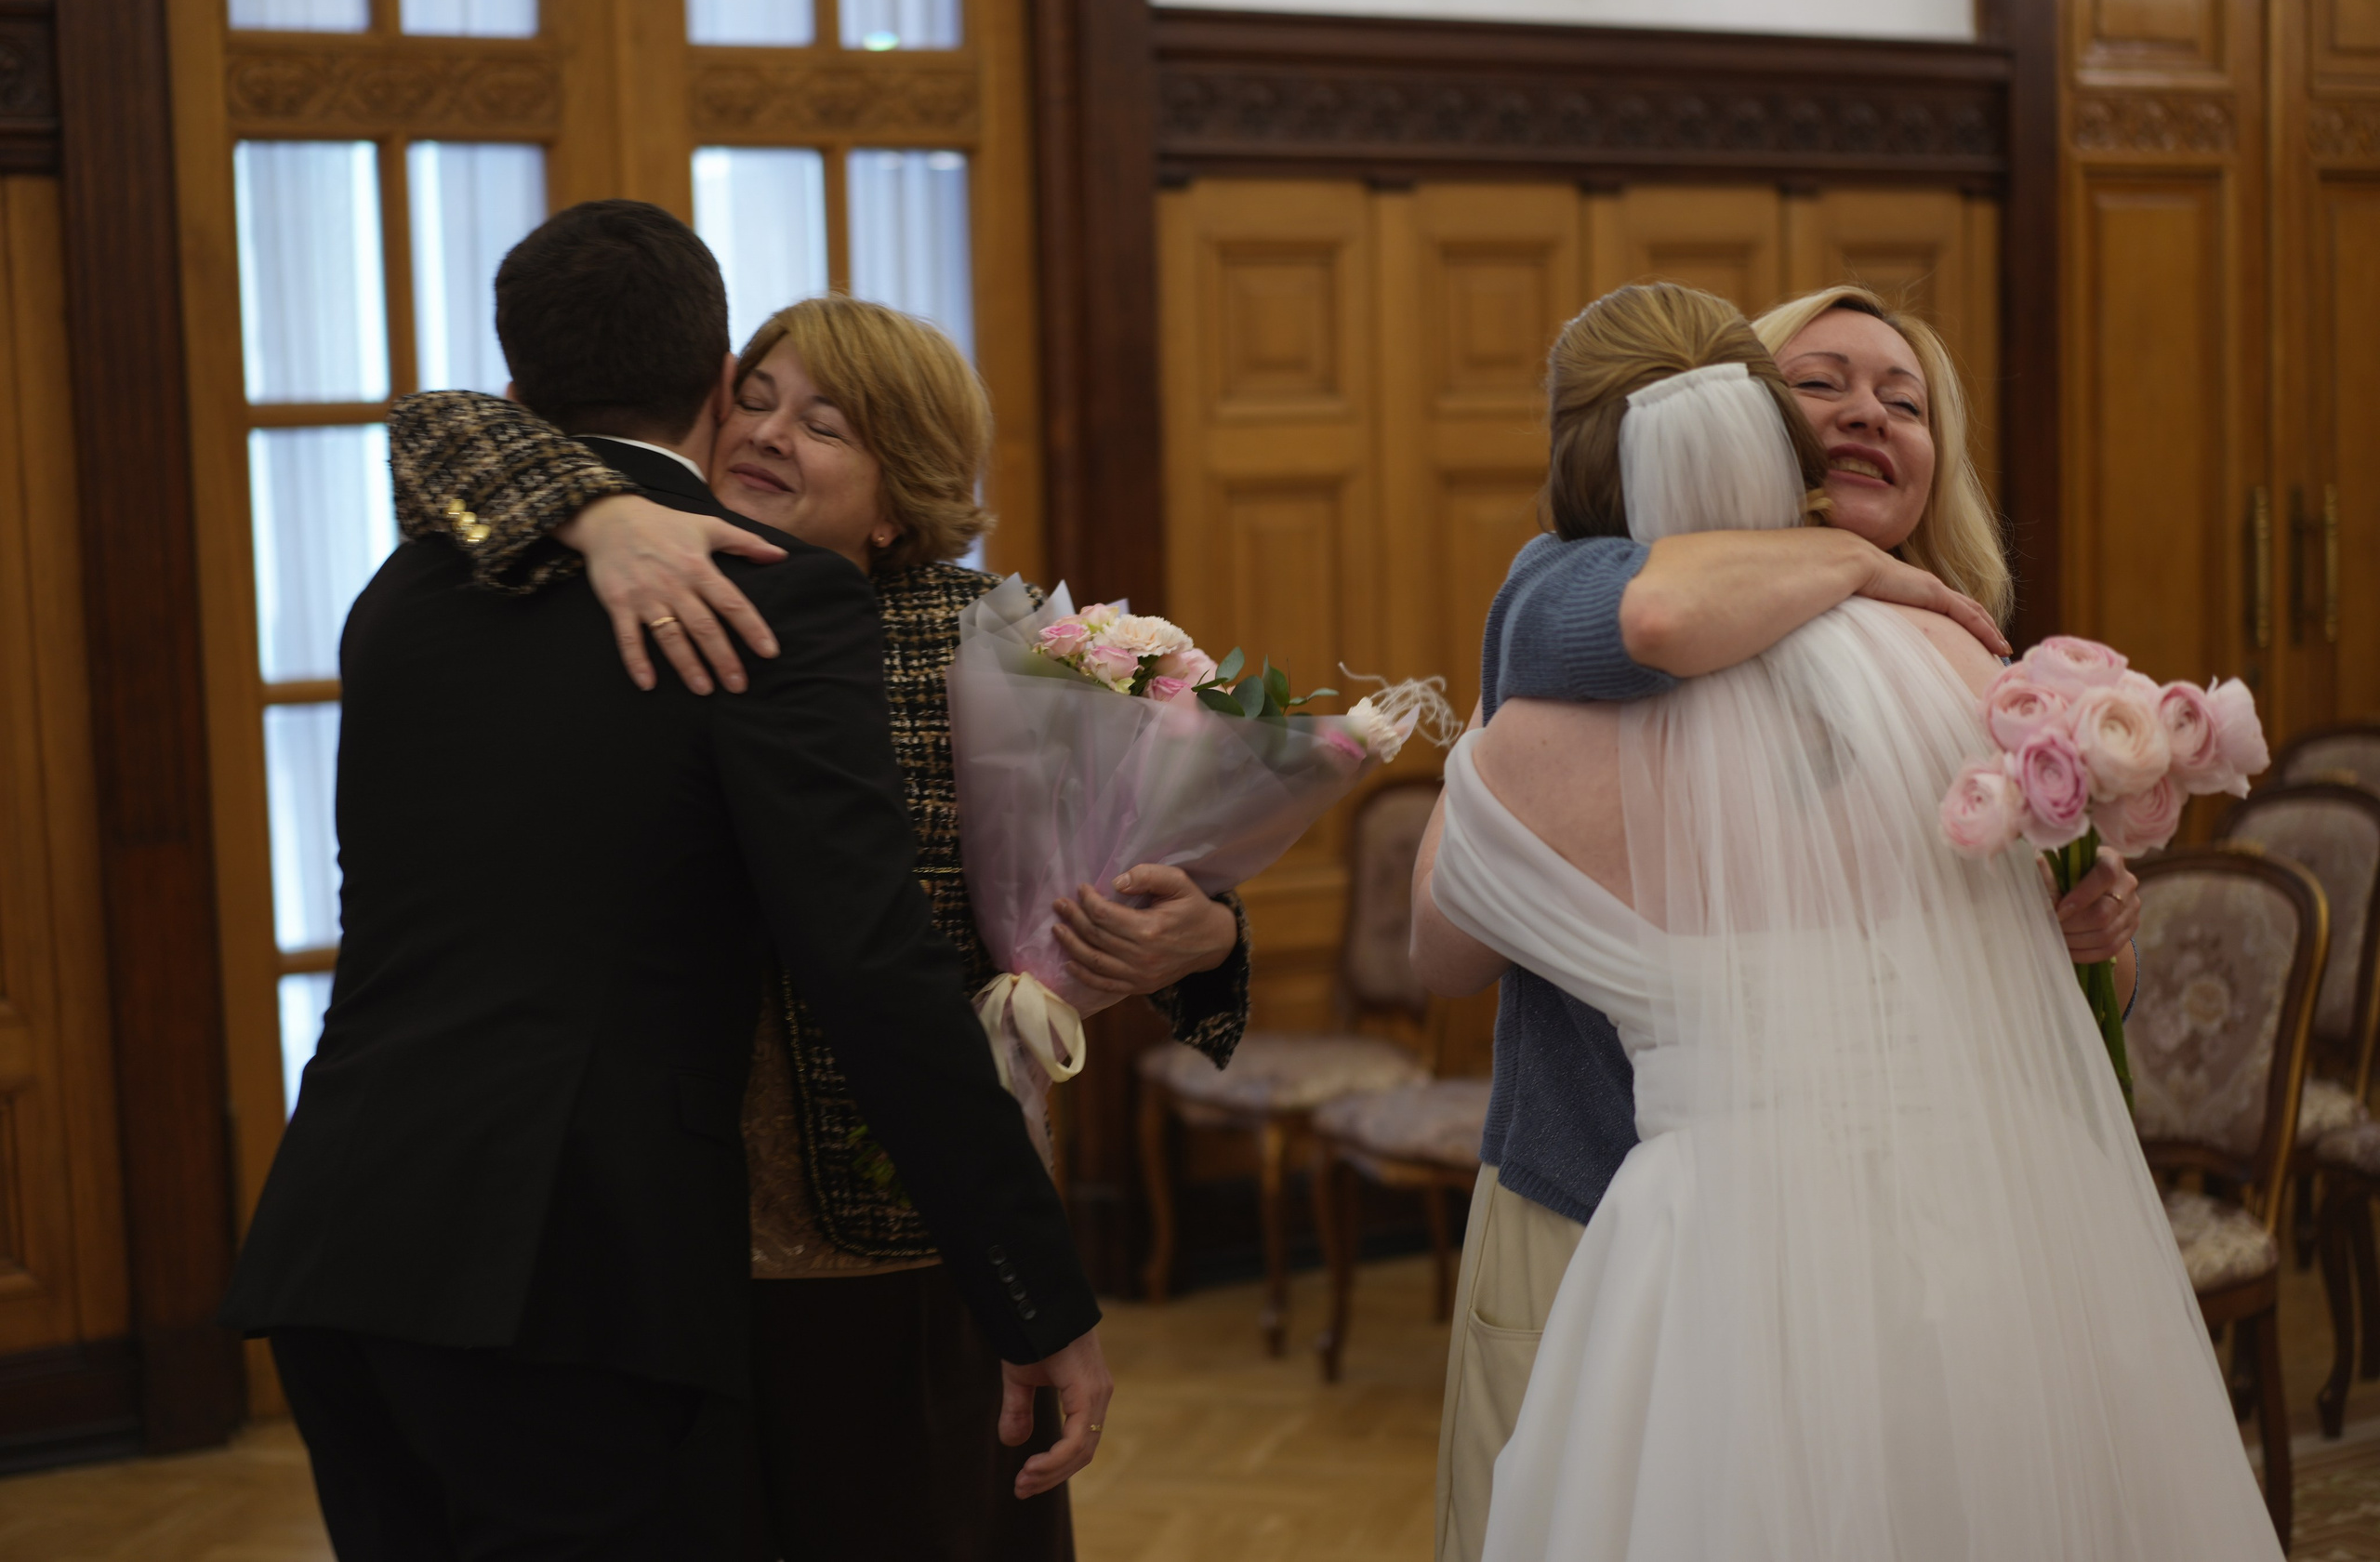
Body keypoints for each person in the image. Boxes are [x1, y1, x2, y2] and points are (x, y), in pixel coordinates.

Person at [220, 200, 1113, 1560]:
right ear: (712, 386)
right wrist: (1037, 1294)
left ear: (519, 386)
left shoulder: (404, 588)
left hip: (342, 1238)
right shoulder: (765, 598)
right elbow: (869, 966)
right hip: (563, 1277)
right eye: (758, 397)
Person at [385, 292, 1250, 1561]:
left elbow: (1147, 857)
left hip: (898, 1232)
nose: (772, 433)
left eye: (827, 422)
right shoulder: (624, 597)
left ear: (901, 494)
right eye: (759, 397)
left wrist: (1209, 935)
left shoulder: (998, 652)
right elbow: (443, 434)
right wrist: (606, 507)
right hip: (653, 1245)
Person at [1425, 281, 2276, 1559]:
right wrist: (1853, 567)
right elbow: (1651, 620)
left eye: (1907, 398)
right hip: (1592, 1202)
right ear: (1750, 416)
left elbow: (2021, 995)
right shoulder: (1571, 599)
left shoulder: (1986, 684)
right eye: (1823, 385)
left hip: (1914, 1220)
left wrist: (2088, 943)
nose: (1868, 415)